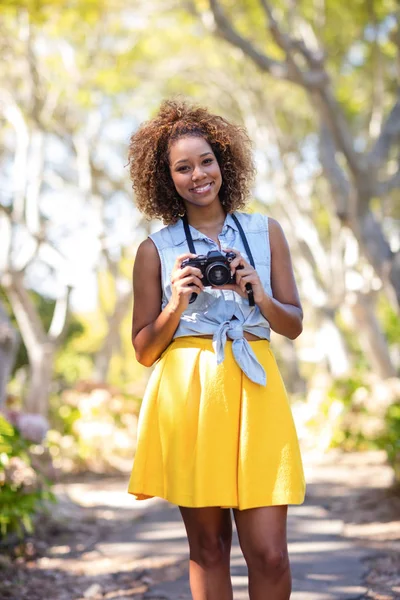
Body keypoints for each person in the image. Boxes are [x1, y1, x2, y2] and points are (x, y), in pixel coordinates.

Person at [127, 99, 305, 600]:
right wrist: (175, 305)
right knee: (208, 548)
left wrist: (259, 295)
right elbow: (143, 349)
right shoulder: (154, 250)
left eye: (206, 160)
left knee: (270, 552)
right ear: (166, 178)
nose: (197, 174)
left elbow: (292, 325)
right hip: (190, 393)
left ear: (223, 162)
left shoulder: (265, 231)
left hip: (256, 386)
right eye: (182, 167)